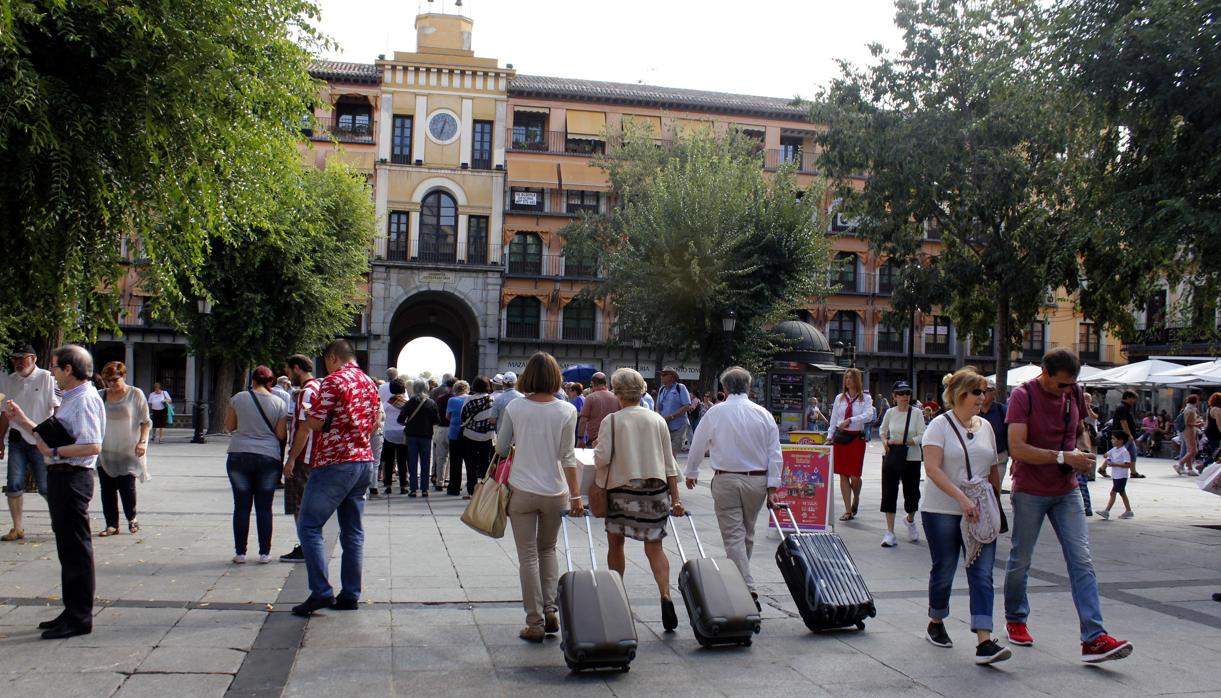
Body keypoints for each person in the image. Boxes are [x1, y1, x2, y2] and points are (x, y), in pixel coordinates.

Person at [1004, 347, 1132, 663]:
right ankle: (1016, 618)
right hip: (1030, 490)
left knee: (1082, 560)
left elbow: (1077, 430)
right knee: (1021, 558)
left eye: (1070, 385)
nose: (1066, 391)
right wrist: (1063, 457)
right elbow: (1017, 448)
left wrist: (1083, 453)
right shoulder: (1023, 396)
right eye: (1060, 385)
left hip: (1067, 489)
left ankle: (1093, 638)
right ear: (1044, 373)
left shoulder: (1073, 391)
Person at [4, 345, 105, 638]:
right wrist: (23, 419)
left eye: (56, 367)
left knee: (76, 549)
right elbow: (51, 435)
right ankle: (71, 610)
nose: (53, 373)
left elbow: (91, 444)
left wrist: (56, 451)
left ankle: (79, 617)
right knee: (68, 549)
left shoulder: (83, 399)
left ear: (69, 369)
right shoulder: (71, 397)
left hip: (73, 476)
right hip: (64, 475)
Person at [920, 367, 1011, 664]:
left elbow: (993, 468)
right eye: (977, 392)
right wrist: (961, 498)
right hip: (942, 509)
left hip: (980, 512)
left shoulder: (985, 426)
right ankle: (936, 620)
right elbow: (932, 468)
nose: (982, 397)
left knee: (982, 573)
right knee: (944, 568)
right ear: (960, 395)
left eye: (984, 392)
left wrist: (994, 503)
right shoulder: (938, 426)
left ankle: (984, 640)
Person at [494, 352, 581, 642]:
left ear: (527, 376)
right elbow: (567, 456)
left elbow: (503, 448)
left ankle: (534, 622)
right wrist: (576, 496)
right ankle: (551, 609)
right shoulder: (567, 410)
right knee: (548, 549)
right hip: (555, 490)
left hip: (521, 489)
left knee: (528, 555)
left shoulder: (516, 407)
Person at [290, 340, 380, 616]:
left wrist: (313, 417)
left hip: (334, 461)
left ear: (332, 357)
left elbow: (315, 421)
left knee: (309, 525)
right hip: (363, 461)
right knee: (353, 531)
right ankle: (350, 594)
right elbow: (376, 422)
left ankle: (321, 591)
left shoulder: (333, 381)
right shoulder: (369, 383)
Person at [594, 368, 685, 630]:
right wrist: (676, 499)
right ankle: (665, 594)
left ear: (618, 392)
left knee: (616, 544)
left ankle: (618, 597)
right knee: (654, 547)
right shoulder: (657, 420)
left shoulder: (611, 421)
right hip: (655, 490)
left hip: (622, 490)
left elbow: (602, 459)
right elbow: (670, 464)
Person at [684, 366, 782, 609]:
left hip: (726, 479)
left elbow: (698, 442)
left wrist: (692, 471)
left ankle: (747, 589)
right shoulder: (763, 414)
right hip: (757, 481)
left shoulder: (716, 413)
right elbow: (775, 453)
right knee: (746, 534)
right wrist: (772, 487)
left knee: (734, 536)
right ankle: (741, 581)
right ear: (748, 386)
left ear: (724, 388)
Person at [224, 366, 289, 564]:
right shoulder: (279, 402)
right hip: (268, 456)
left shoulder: (238, 398)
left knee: (241, 506)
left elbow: (229, 426)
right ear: (270, 382)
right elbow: (280, 435)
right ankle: (264, 553)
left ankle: (240, 553)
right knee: (264, 507)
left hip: (239, 453)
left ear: (252, 380)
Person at [0, 344, 59, 541]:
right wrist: (0, 440)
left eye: (22, 358)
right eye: (14, 358)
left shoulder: (47, 378)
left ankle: (58, 521)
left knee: (45, 486)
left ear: (33, 358)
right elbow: (4, 414)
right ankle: (17, 528)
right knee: (14, 484)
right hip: (17, 439)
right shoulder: (10, 380)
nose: (17, 362)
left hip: (40, 439)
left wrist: (55, 437)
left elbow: (57, 409)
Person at [96, 362, 150, 537]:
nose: (111, 383)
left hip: (128, 448)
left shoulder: (135, 394)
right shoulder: (101, 395)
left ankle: (131, 517)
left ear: (123, 376)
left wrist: (142, 442)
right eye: (108, 380)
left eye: (114, 379)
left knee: (127, 487)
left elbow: (145, 421)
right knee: (107, 489)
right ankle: (111, 524)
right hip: (106, 449)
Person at [279, 355, 321, 562]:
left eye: (288, 370)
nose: (288, 375)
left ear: (296, 368)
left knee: (299, 504)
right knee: (307, 503)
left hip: (304, 456)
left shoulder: (306, 393)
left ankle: (307, 546)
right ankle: (311, 544)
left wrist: (291, 459)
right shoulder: (318, 389)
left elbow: (304, 429)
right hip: (315, 456)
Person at [878, 381, 925, 547]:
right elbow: (882, 431)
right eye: (901, 393)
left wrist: (905, 441)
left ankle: (910, 520)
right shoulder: (890, 412)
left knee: (912, 494)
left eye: (908, 393)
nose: (905, 396)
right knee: (889, 493)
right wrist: (884, 441)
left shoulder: (917, 413)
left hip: (912, 458)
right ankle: (890, 532)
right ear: (894, 396)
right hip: (892, 456)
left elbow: (922, 435)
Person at [827, 367, 874, 520]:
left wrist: (851, 420)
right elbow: (834, 419)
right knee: (843, 475)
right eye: (846, 378)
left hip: (856, 439)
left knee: (855, 476)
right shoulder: (839, 398)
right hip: (841, 439)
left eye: (851, 378)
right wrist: (829, 436)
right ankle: (847, 510)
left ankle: (857, 497)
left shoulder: (865, 398)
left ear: (857, 380)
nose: (848, 381)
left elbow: (869, 415)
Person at [453, 376, 495, 499]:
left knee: (471, 465)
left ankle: (471, 491)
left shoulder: (469, 399)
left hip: (470, 435)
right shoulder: (492, 399)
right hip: (487, 436)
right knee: (485, 463)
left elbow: (463, 416)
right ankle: (485, 489)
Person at [398, 379, 440, 497]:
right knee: (425, 462)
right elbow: (437, 420)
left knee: (412, 462)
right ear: (426, 388)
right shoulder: (431, 403)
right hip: (426, 436)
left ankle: (413, 489)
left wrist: (408, 423)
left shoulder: (410, 402)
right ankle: (425, 489)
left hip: (411, 435)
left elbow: (400, 419)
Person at [377, 376, 408, 495]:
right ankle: (403, 485)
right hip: (403, 433)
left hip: (388, 432)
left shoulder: (386, 403)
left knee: (388, 460)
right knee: (402, 460)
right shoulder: (406, 403)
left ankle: (388, 484)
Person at [654, 367, 692, 458]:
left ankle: (671, 471)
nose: (661, 377)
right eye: (661, 375)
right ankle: (668, 471)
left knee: (671, 454)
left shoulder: (680, 387)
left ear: (671, 376)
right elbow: (658, 407)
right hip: (665, 426)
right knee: (663, 453)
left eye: (664, 375)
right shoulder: (662, 389)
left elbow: (686, 406)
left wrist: (670, 417)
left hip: (679, 426)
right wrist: (659, 417)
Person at [980, 378, 1009, 492]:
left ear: (994, 392)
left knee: (993, 492)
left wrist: (1015, 461)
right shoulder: (972, 411)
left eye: (986, 390)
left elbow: (1009, 434)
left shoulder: (1002, 411)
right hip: (977, 458)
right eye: (979, 391)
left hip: (999, 458)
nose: (983, 394)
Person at [577, 372, 619, 448]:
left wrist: (580, 439)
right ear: (605, 383)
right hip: (613, 440)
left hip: (595, 441)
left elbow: (583, 420)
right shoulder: (616, 398)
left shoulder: (591, 398)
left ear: (593, 383)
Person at [1098, 432, 1134, 520]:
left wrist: (1115, 464)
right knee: (1122, 493)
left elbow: (1128, 465)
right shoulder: (1114, 449)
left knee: (1113, 493)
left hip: (1122, 476)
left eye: (1114, 438)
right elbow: (1106, 455)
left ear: (1121, 440)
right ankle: (1129, 510)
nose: (1112, 440)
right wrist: (1107, 457)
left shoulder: (1124, 451)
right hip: (1115, 475)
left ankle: (1106, 511)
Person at [1110, 390, 1143, 478]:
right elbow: (1123, 422)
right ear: (1127, 397)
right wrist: (1129, 435)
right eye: (1133, 399)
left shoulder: (1126, 407)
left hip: (1125, 435)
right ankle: (1102, 468)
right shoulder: (1122, 407)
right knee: (1118, 452)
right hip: (1122, 435)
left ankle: (1133, 472)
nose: (1134, 401)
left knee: (1132, 453)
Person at [430, 376, 455, 492]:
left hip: (441, 428)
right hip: (453, 429)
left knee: (441, 457)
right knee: (451, 457)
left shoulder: (440, 398)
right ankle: (446, 479)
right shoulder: (457, 399)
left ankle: (439, 481)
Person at [445, 381, 469, 494]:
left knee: (455, 462)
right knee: (469, 462)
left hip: (454, 433)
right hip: (468, 433)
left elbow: (448, 416)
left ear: (455, 389)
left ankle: (454, 487)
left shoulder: (452, 400)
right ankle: (471, 486)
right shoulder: (470, 399)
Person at [1176, 395, 1203, 476]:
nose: (1199, 402)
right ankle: (1179, 464)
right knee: (1193, 451)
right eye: (1198, 400)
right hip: (1189, 430)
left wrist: (1196, 423)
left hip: (1188, 430)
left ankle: (1190, 468)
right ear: (1195, 401)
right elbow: (1188, 423)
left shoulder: (1188, 408)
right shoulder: (1191, 410)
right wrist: (1198, 424)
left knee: (1189, 450)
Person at [1204, 393, 1221, 465]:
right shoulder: (1217, 410)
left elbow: (1207, 423)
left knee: (1216, 452)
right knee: (1217, 453)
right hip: (1215, 433)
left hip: (1209, 432)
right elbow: (1219, 425)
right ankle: (1203, 465)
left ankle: (1203, 465)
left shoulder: (1209, 409)